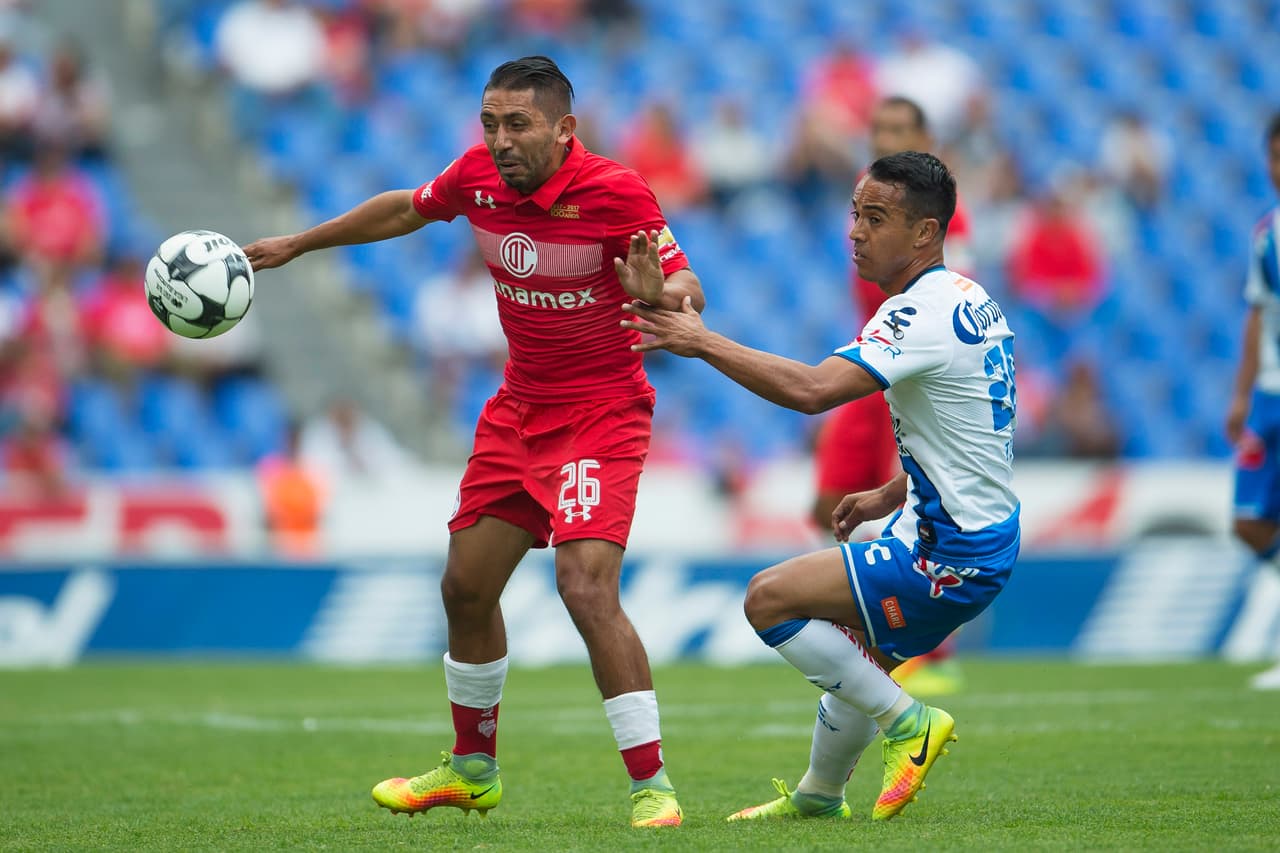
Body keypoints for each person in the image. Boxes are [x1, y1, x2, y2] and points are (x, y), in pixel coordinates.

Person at [242, 56, 704, 827]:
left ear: (565, 129)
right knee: (464, 587)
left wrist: (661, 293)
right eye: (490, 123)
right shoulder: (477, 177)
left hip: (600, 413)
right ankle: (472, 768)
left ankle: (652, 785)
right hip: (517, 410)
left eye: (517, 124)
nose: (500, 139)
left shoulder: (616, 191)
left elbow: (690, 288)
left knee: (585, 587)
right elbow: (404, 210)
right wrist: (300, 242)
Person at [621, 151, 1018, 821]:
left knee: (768, 599)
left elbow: (811, 391)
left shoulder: (918, 314)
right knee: (860, 657)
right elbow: (973, 428)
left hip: (949, 551)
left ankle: (909, 724)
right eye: (855, 214)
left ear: (926, 232)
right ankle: (820, 796)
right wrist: (892, 492)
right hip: (975, 532)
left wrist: (701, 341)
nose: (856, 232)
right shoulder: (970, 299)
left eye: (877, 218)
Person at [812, 97, 973, 697]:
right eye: (878, 128)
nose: (885, 138)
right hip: (870, 366)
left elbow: (951, 298)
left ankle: (927, 648)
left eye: (899, 129)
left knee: (909, 508)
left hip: (912, 373)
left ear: (925, 136)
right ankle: (869, 619)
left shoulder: (939, 216)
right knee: (829, 499)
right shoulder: (869, 197)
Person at [1226, 111, 1280, 691]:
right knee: (1248, 521)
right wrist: (1241, 395)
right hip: (1269, 396)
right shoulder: (1267, 233)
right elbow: (1258, 313)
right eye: (1274, 156)